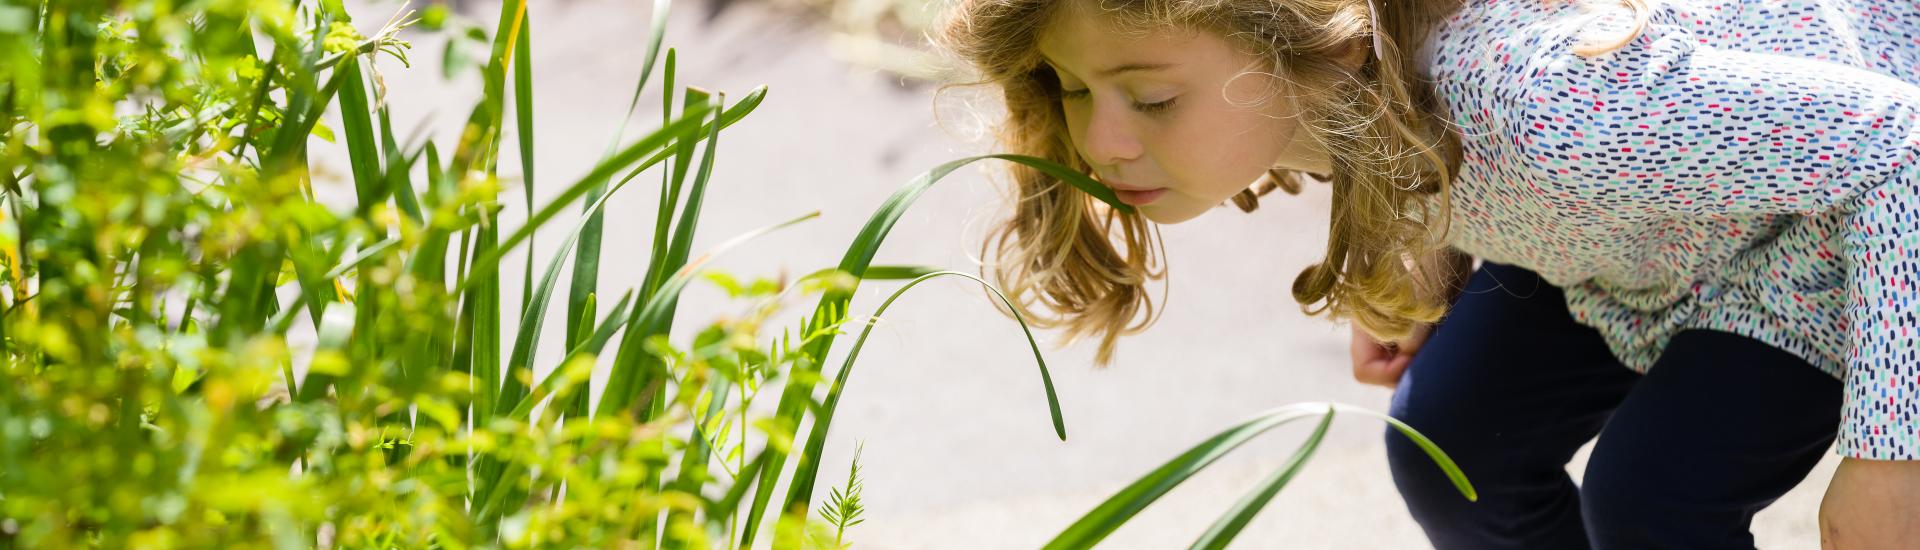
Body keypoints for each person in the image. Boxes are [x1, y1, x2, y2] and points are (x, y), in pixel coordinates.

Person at [933, 0, 1920, 547]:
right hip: (1627, 247)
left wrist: (1891, 455)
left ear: (1297, 43)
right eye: (1069, 86)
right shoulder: (1368, 95)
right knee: (1449, 449)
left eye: (1151, 98)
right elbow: (1455, 157)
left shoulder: (1549, 107)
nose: (1097, 138)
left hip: (1811, 234)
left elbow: (1903, 146)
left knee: (1652, 499)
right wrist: (1426, 257)